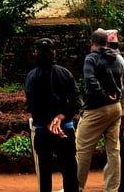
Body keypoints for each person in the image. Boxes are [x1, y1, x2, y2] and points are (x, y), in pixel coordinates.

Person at [76, 28, 124, 192]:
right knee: (114, 151)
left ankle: (75, 186)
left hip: (96, 109)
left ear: (92, 43)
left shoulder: (91, 58)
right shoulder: (117, 58)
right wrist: (116, 97)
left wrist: (104, 95)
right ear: (106, 43)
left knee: (82, 149)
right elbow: (122, 82)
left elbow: (89, 81)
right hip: (115, 108)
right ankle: (111, 189)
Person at [24, 37, 80, 192]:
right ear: (54, 52)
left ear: (35, 53)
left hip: (42, 129)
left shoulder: (32, 76)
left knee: (44, 171)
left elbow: (32, 104)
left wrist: (49, 122)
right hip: (64, 129)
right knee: (69, 169)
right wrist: (61, 117)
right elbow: (76, 101)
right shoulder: (65, 73)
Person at [106, 29, 124, 192]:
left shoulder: (116, 61)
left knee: (117, 148)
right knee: (117, 147)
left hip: (115, 110)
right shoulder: (118, 60)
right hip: (119, 109)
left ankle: (121, 182)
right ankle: (121, 181)